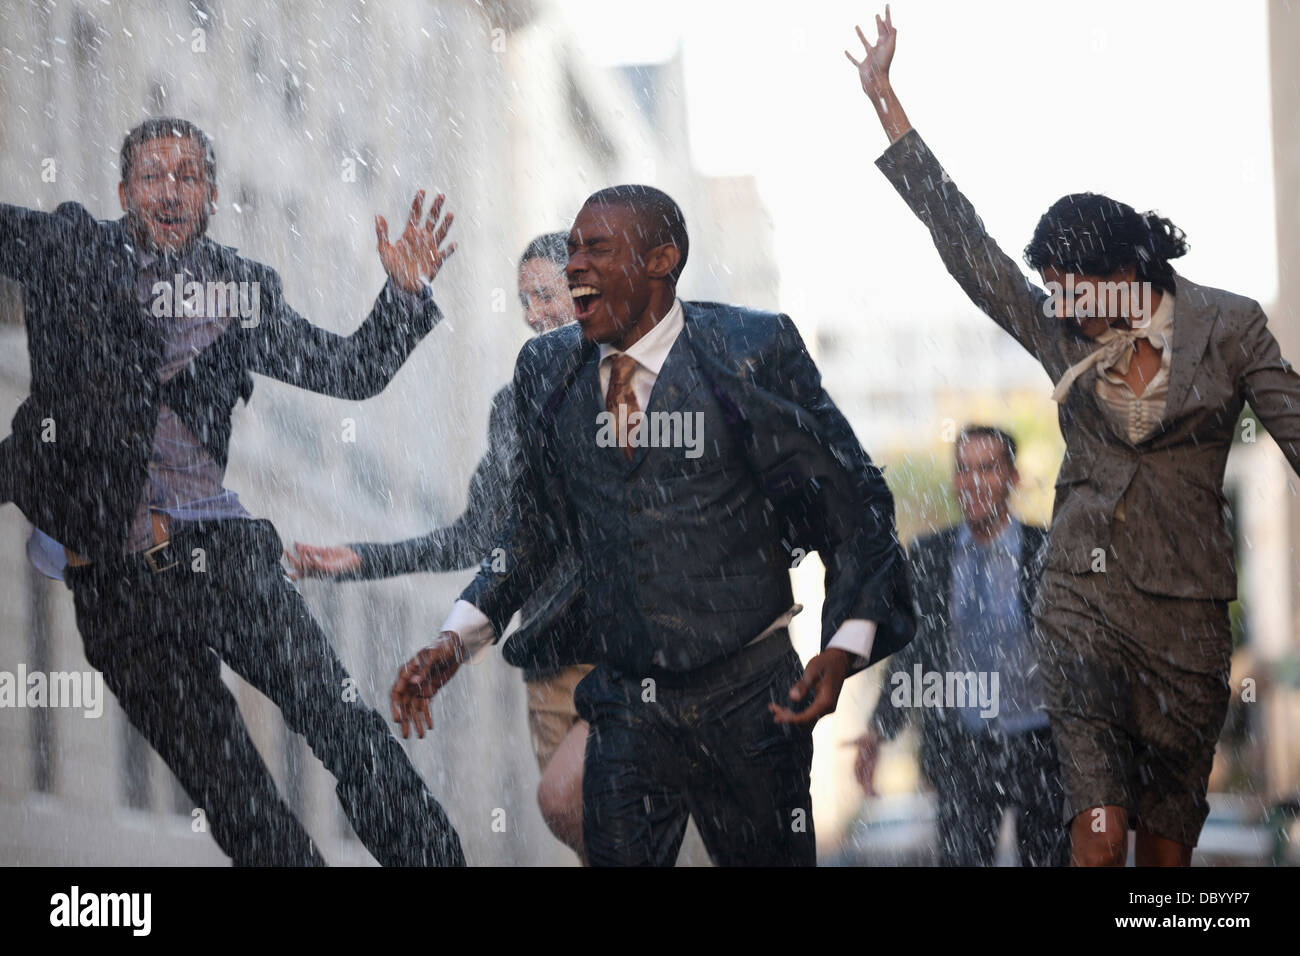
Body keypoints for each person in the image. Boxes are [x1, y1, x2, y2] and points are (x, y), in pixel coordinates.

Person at [847, 8, 1300, 865]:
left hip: (1186, 617)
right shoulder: (1060, 333)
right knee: (1096, 833)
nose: (1058, 304)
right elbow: (969, 247)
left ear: (1125, 275)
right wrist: (889, 106)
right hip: (1079, 609)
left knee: (1165, 852)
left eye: (1072, 287)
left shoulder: (1231, 329)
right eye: (1050, 288)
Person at [389, 184, 915, 866]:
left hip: (754, 696)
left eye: (597, 248)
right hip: (627, 704)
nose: (574, 265)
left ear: (661, 260)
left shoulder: (752, 348)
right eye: (572, 249)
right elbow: (529, 533)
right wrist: (453, 641)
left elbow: (855, 500)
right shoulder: (546, 371)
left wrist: (842, 650)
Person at [0, 117, 465, 866]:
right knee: (238, 802)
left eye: (188, 175)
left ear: (211, 195)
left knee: (343, 725)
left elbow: (348, 371)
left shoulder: (239, 292)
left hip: (221, 558)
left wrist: (402, 295)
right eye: (152, 176)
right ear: (125, 192)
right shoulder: (72, 250)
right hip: (116, 595)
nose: (170, 190)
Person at [287, 232, 595, 860]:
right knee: (586, 834)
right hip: (550, 666)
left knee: (597, 814)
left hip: (632, 657)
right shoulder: (515, 406)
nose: (535, 313)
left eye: (546, 294)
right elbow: (481, 535)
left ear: (585, 289)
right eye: (524, 300)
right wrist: (366, 558)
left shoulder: (637, 384)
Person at [854, 426, 1068, 866]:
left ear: (1012, 476)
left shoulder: (1047, 550)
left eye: (987, 468)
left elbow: (1078, 651)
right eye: (964, 470)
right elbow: (913, 654)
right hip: (962, 751)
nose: (973, 482)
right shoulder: (930, 555)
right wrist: (879, 730)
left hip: (1041, 750)